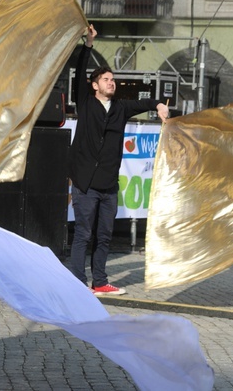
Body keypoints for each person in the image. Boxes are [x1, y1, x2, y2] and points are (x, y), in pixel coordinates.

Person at [68, 24, 169, 296]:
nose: (111, 82)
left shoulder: (121, 108)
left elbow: (143, 103)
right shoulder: (86, 103)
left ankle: (99, 282)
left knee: (104, 237)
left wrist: (158, 103)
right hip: (86, 183)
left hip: (109, 185)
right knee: (83, 234)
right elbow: (78, 73)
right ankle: (77, 284)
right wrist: (88, 45)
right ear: (95, 86)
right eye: (106, 80)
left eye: (113, 80)